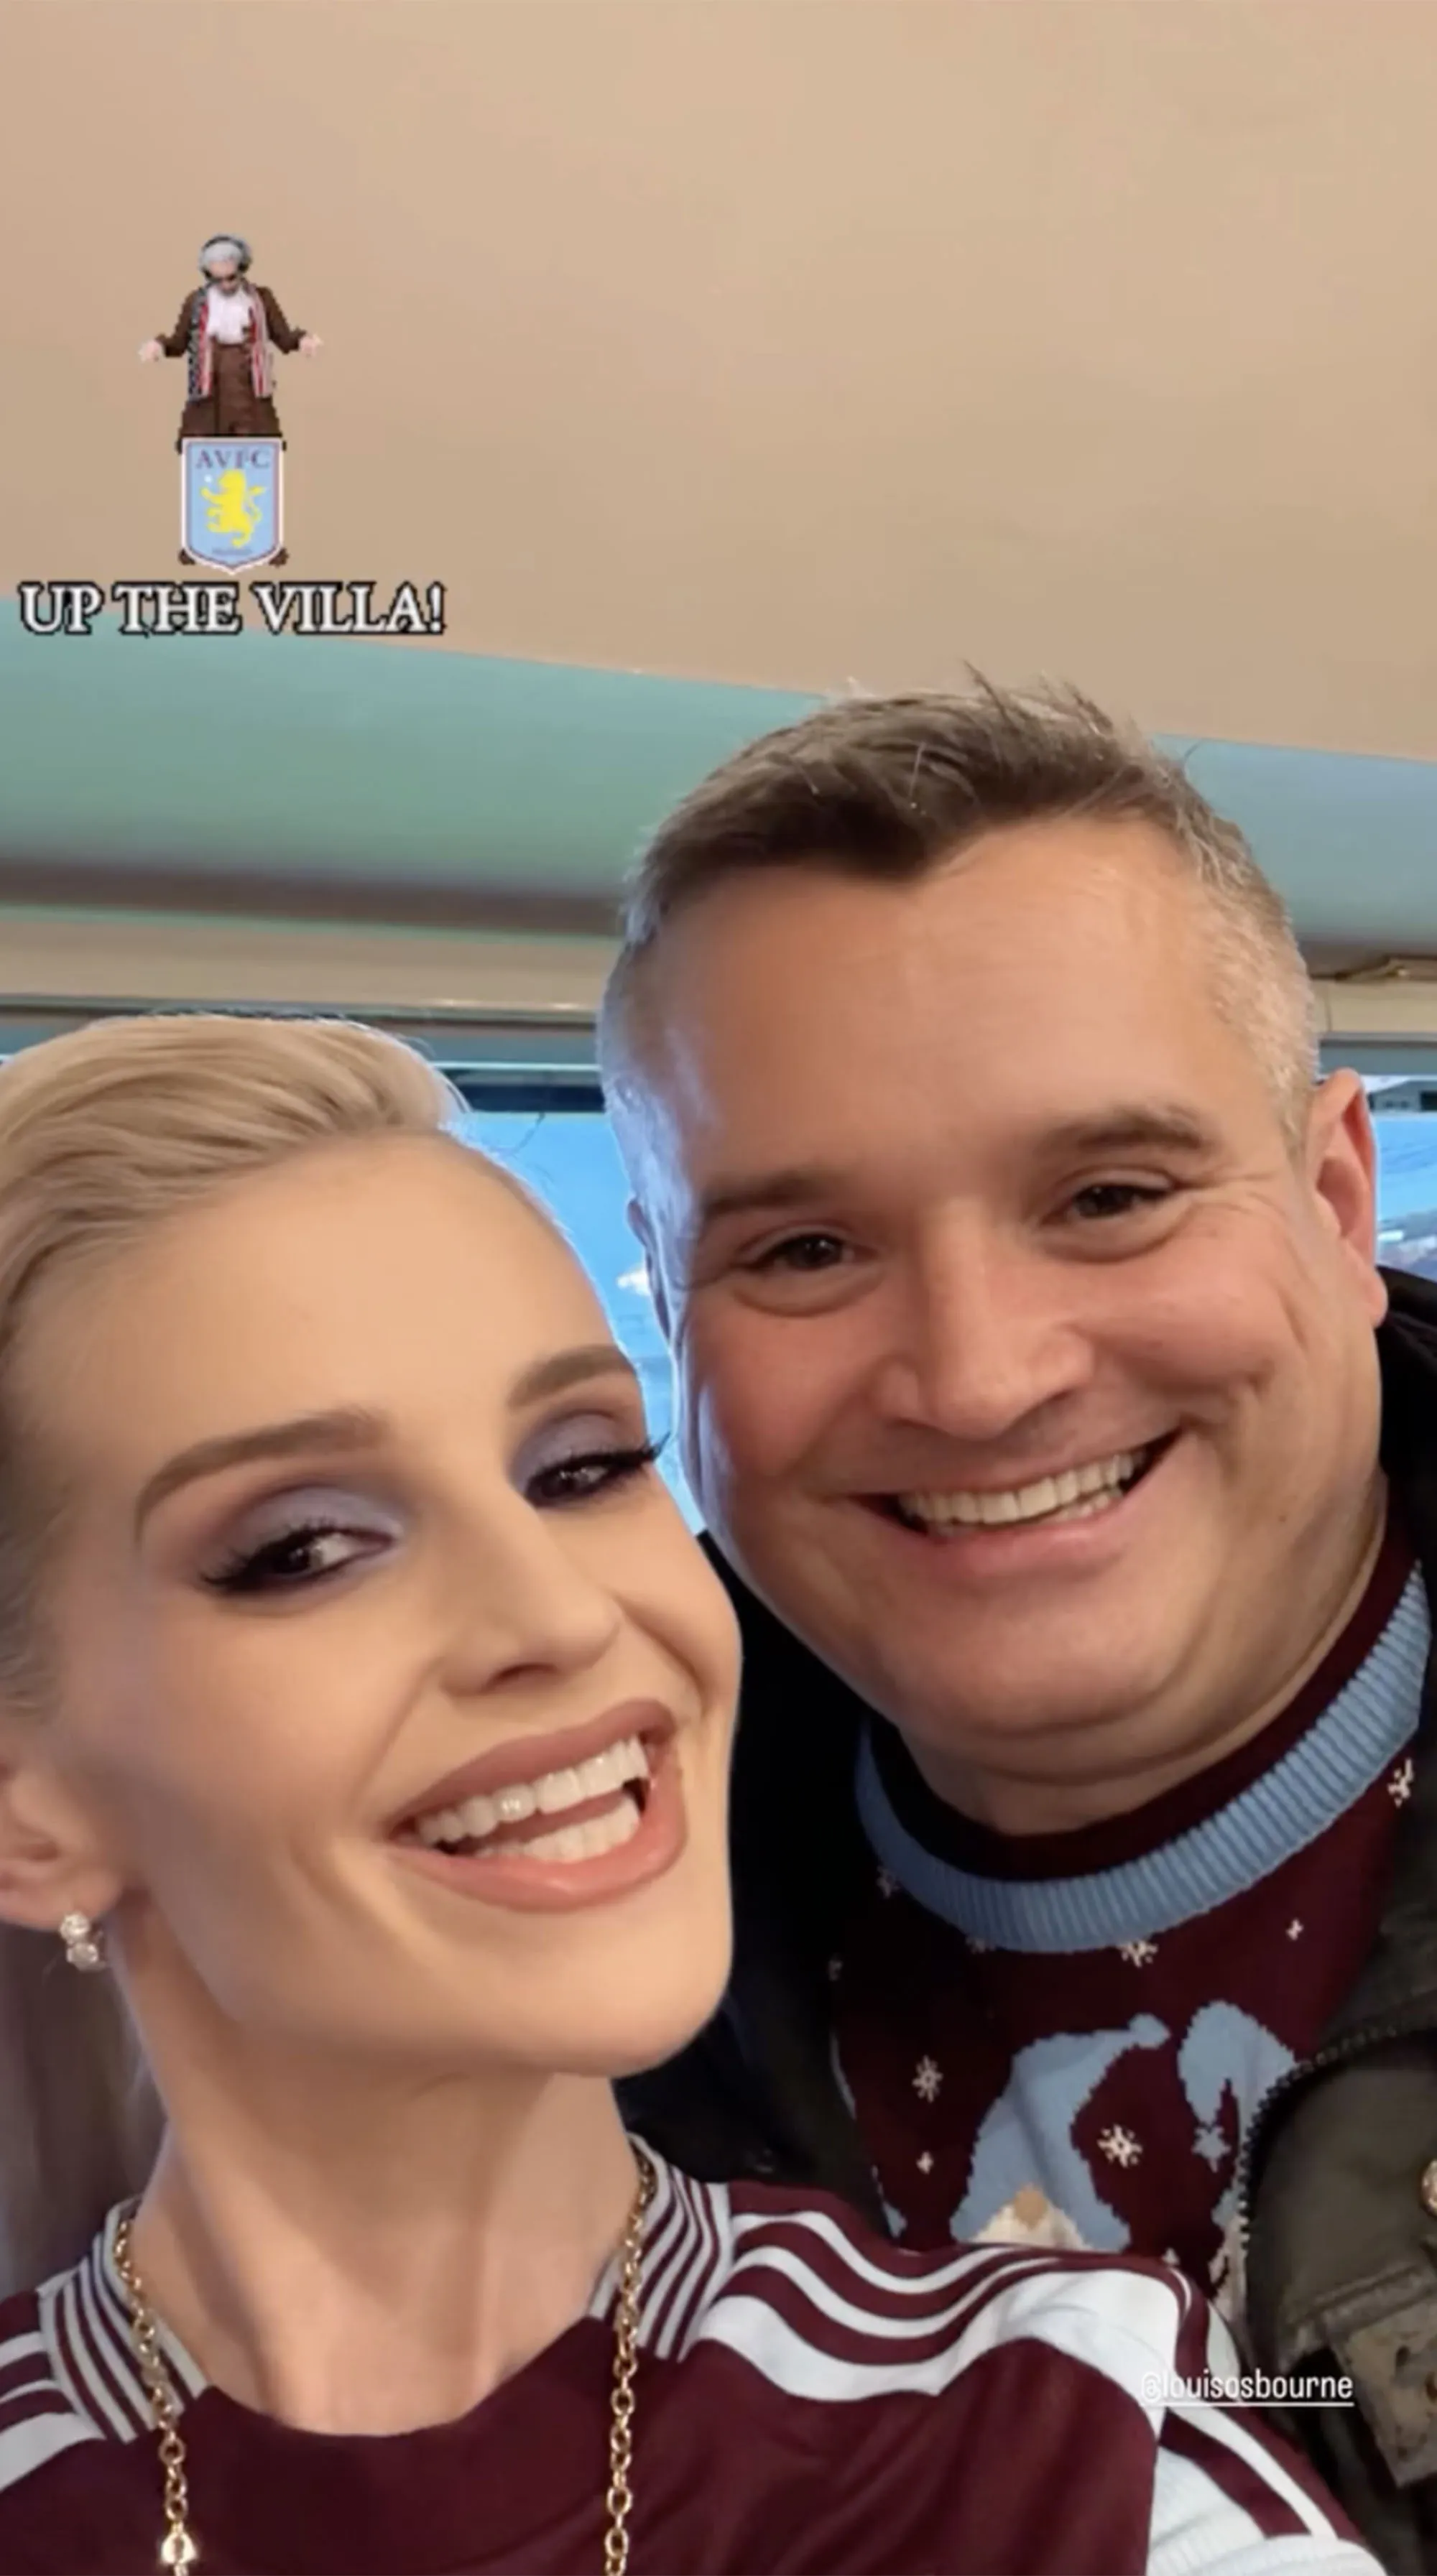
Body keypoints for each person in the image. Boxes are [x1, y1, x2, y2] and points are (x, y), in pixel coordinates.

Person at [0, 1014, 1367, 2576]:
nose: (563, 1618)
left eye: (580, 1463)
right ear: (25, 1804)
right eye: (303, 1547)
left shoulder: (1075, 2449)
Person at [599, 682, 1437, 2572]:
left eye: (1113, 1197)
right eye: (805, 1250)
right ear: (672, 1322)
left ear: (1334, 1200)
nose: (977, 1381)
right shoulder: (545, 1991)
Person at [139, 234, 320, 450]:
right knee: (205, 450)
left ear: (241, 270)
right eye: (218, 280)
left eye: (231, 278)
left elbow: (282, 336)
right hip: (210, 392)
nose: (225, 285)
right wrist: (159, 346)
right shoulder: (196, 303)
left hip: (250, 390)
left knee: (256, 449)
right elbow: (179, 342)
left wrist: (302, 341)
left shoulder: (261, 299)